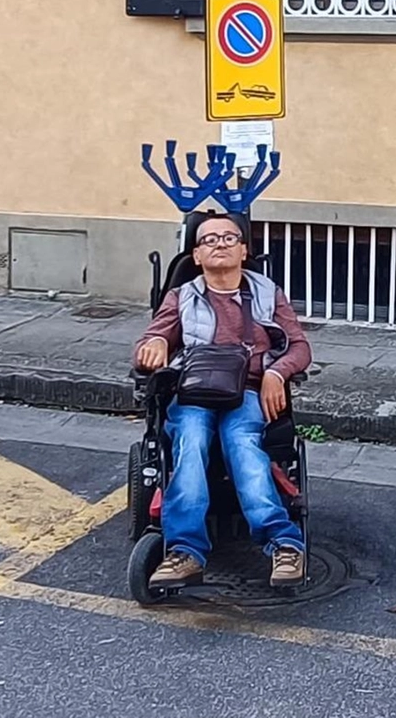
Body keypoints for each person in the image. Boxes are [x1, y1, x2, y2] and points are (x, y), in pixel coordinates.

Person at [133, 214, 313, 588]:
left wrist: (277, 374)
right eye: (209, 239)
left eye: (230, 238)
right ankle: (184, 551)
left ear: (244, 250)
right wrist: (157, 344)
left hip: (247, 390)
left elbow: (299, 346)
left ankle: (283, 543)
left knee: (242, 443)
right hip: (193, 391)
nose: (220, 243)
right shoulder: (180, 296)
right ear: (196, 255)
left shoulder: (267, 292)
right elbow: (149, 342)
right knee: (192, 438)